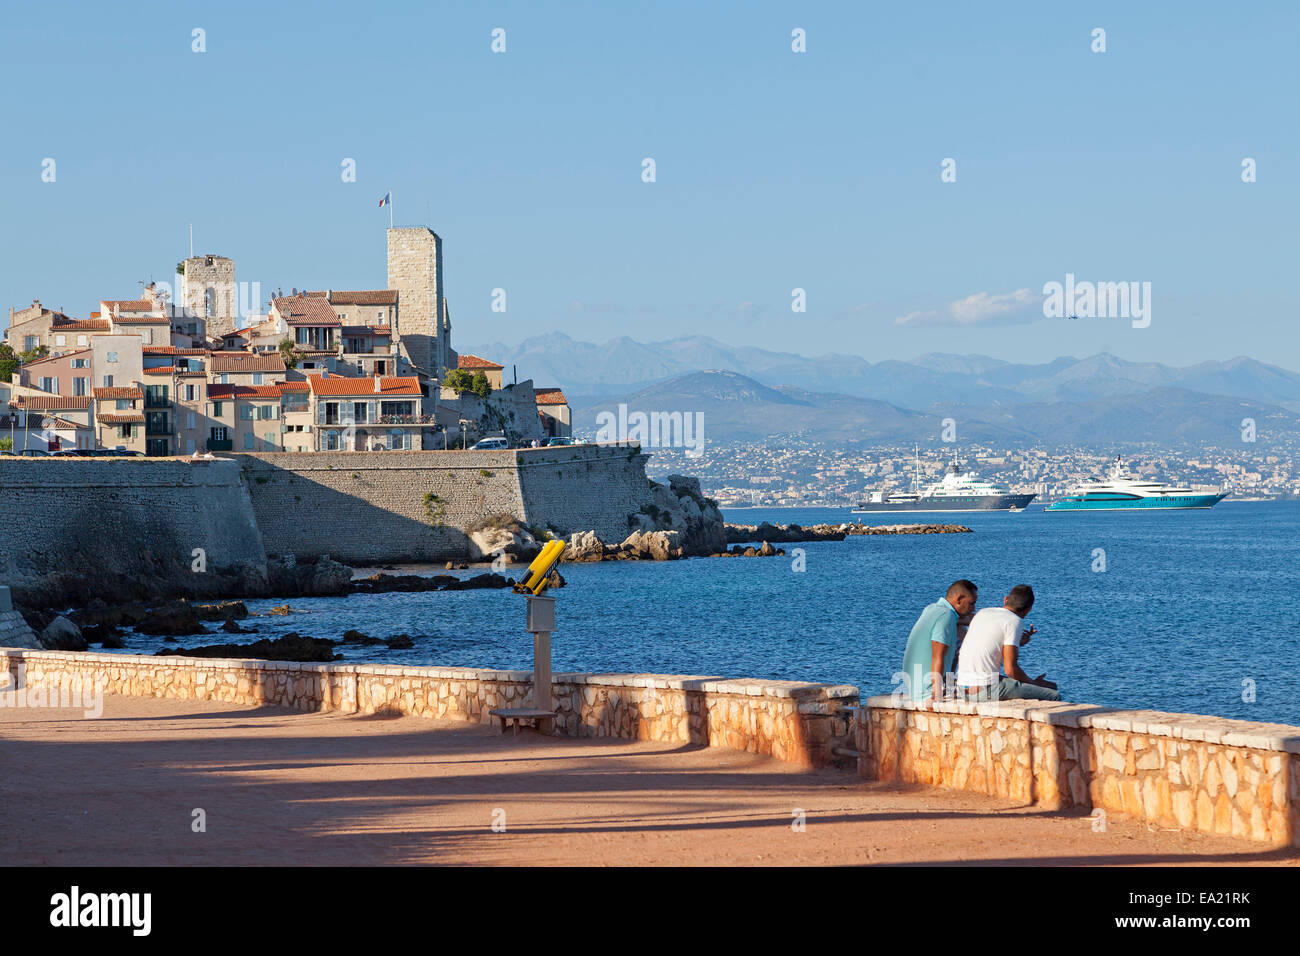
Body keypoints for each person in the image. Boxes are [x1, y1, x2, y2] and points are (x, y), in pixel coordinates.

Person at [955, 584, 1061, 701]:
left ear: (1005, 599)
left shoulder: (983, 612)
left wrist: (1017, 642)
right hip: (985, 689)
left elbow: (992, 643)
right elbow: (1010, 670)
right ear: (1028, 610)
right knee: (1053, 695)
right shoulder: (1014, 621)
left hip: (963, 685)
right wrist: (1034, 683)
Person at [899, 580, 978, 703]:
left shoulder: (932, 608)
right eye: (971, 604)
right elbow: (937, 656)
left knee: (960, 629)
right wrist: (937, 694)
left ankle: (951, 683)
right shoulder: (947, 616)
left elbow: (965, 619)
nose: (973, 608)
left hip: (913, 685)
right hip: (927, 691)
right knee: (984, 691)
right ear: (959, 599)